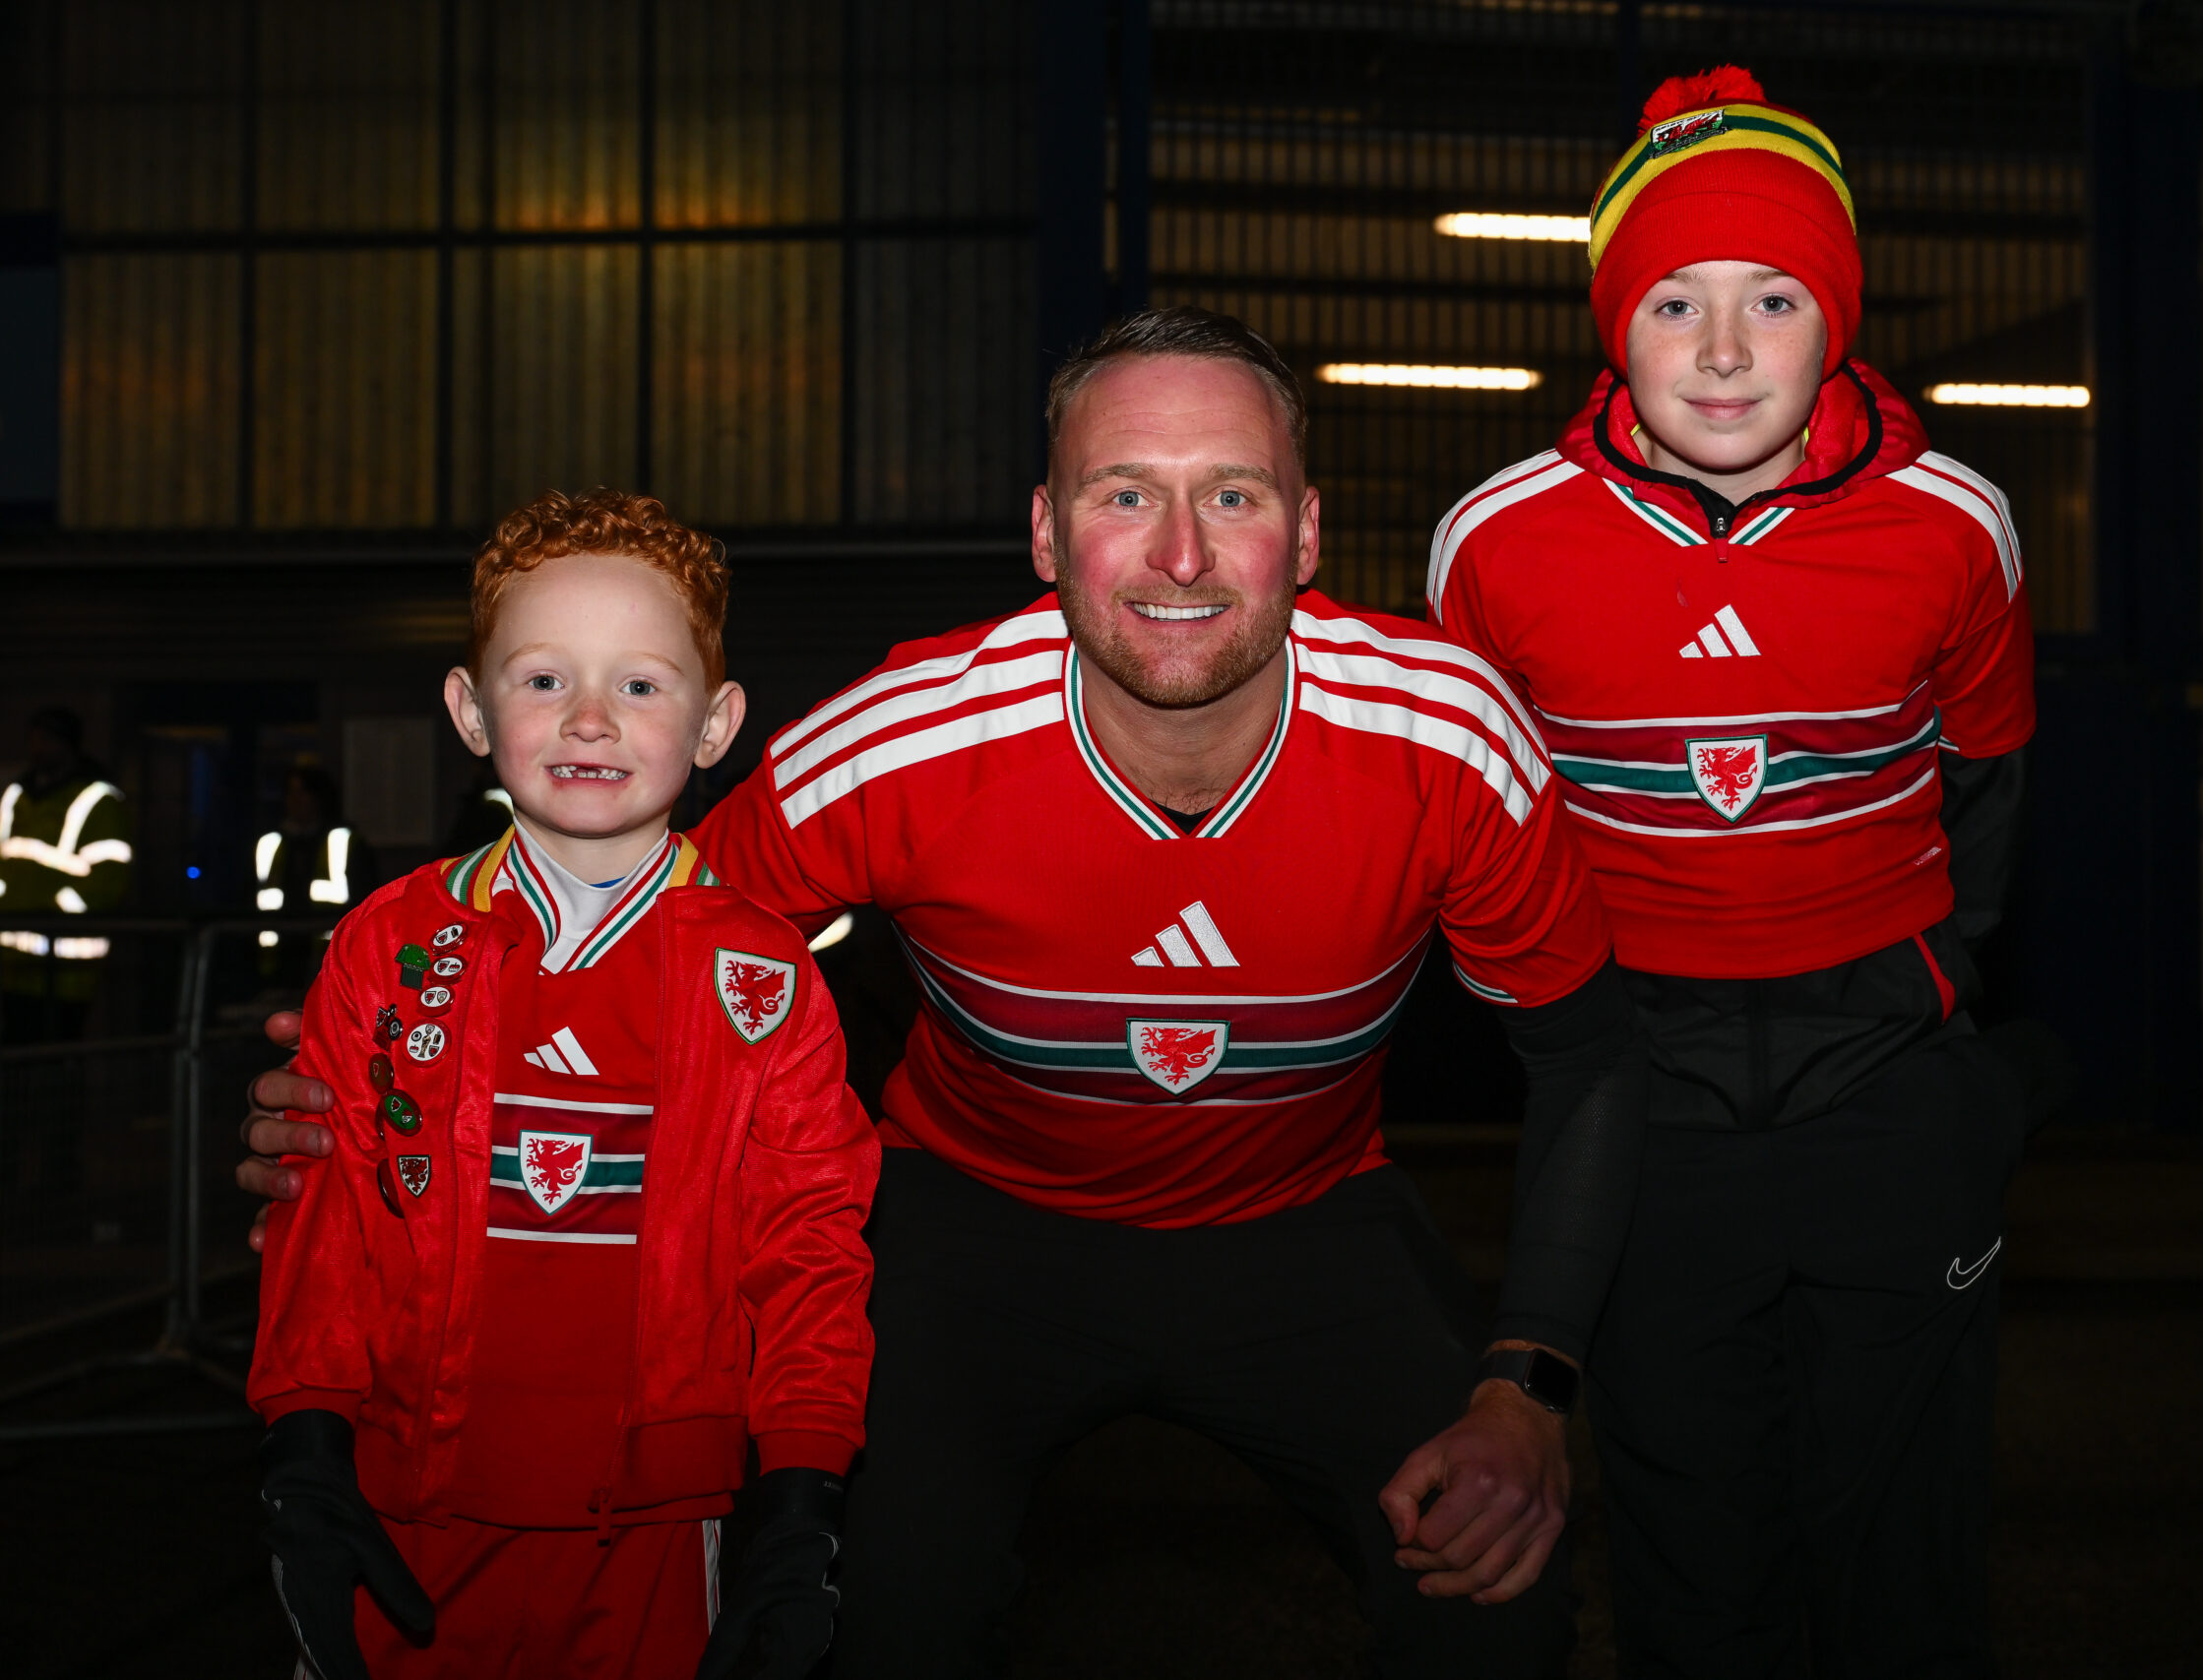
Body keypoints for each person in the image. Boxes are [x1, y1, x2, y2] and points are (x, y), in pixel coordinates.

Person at [246, 307, 1645, 1678]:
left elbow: (1591, 1061)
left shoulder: (1446, 733)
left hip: (1306, 1214)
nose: (1178, 552)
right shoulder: (905, 737)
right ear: (1046, 534)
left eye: (1232, 491)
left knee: (1497, 1604)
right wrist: (395, 1084)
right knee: (862, 1610)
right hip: (977, 1220)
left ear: (1312, 531)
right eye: (1123, 492)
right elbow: (639, 938)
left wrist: (1528, 1390)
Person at [1428, 67, 2037, 1677]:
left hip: (1884, 1093)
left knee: (1904, 1535)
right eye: (1673, 299)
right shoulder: (1495, 544)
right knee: (1693, 1535)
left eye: (1772, 298)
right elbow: (1483, 822)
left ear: (1835, 318)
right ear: (1610, 326)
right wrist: (1568, 1026)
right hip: (1653, 1113)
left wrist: (1931, 981)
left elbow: (1983, 781)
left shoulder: (1955, 524)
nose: (1718, 347)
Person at [246, 489, 878, 1680]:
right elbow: (326, 1209)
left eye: (640, 684)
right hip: (401, 1497)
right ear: (469, 710)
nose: (589, 719)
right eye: (542, 680)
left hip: (649, 1523)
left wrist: (799, 1502)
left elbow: (808, 1245)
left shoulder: (764, 973)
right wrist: (305, 1445)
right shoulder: (392, 940)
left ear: (716, 722)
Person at [0, 707, 132, 1037]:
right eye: (33, 739)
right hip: (10, 964)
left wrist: (58, 912)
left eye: (47, 739)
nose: (37, 748)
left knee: (56, 1060)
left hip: (67, 971)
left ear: (68, 744)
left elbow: (108, 876)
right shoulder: (17, 796)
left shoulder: (97, 799)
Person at [254, 763, 380, 983]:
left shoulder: (345, 842)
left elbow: (366, 896)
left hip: (331, 962)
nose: (296, 800)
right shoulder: (270, 843)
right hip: (278, 960)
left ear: (319, 797)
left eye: (303, 792)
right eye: (291, 793)